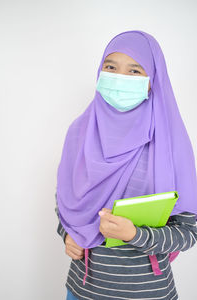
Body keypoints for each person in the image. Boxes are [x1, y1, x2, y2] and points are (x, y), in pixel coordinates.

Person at [55, 30, 197, 300]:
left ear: (153, 81)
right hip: (81, 289)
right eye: (111, 67)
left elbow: (189, 232)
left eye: (134, 71)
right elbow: (64, 201)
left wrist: (135, 234)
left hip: (146, 293)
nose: (120, 78)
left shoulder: (169, 145)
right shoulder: (80, 134)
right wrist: (68, 234)